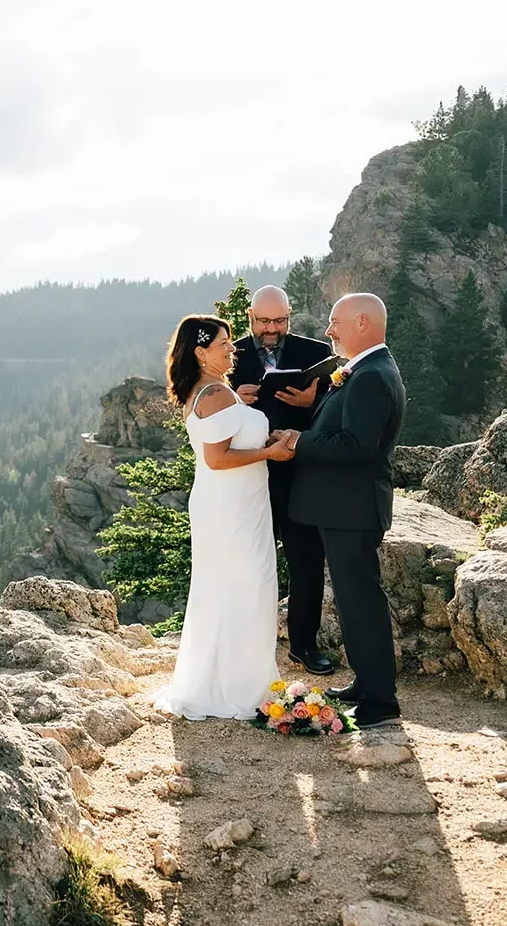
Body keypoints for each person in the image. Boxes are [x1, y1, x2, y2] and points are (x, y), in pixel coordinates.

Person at [271, 293, 407, 729]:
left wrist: (298, 440)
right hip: (344, 507)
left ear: (363, 322)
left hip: (353, 508)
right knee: (352, 602)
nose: (328, 331)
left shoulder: (370, 376)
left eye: (335, 322)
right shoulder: (366, 369)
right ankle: (366, 685)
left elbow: (356, 446)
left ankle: (380, 700)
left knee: (362, 601)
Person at [153, 315, 295, 721]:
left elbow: (231, 443)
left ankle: (235, 677)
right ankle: (239, 687)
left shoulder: (217, 390)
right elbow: (217, 458)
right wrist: (270, 453)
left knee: (236, 586)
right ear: (200, 353)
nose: (233, 349)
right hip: (230, 508)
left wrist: (261, 438)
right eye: (223, 344)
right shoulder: (214, 392)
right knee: (247, 585)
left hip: (237, 503)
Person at [228, 285, 336, 677]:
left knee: (306, 562)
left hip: (300, 475)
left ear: (290, 316)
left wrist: (312, 402)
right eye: (264, 321)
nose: (272, 329)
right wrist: (233, 398)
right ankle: (239, 646)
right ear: (250, 317)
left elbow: (336, 412)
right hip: (247, 476)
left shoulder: (316, 354)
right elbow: (204, 408)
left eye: (279, 321)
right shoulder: (229, 355)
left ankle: (304, 645)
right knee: (244, 562)